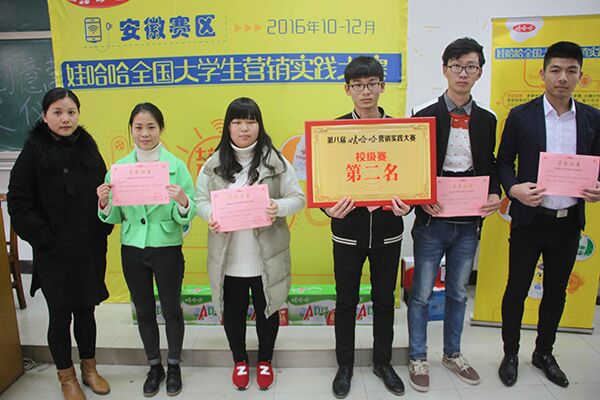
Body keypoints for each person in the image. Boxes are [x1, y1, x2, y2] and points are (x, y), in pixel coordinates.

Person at [497, 41, 600, 388]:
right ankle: (510, 353)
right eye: (555, 70)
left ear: (580, 75)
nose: (562, 78)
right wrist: (514, 189)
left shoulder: (592, 118)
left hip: (568, 222)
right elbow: (503, 162)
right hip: (529, 219)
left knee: (556, 292)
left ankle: (544, 353)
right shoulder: (521, 116)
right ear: (542, 73)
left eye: (571, 71)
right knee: (516, 289)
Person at [407, 37, 501, 392]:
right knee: (421, 294)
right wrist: (420, 199)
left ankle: (452, 353)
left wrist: (495, 192)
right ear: (444, 69)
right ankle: (418, 356)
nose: (463, 73)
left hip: (468, 222)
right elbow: (412, 165)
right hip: (433, 220)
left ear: (479, 72)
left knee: (459, 293)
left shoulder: (487, 119)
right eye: (457, 66)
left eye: (471, 67)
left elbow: (491, 163)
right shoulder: (424, 114)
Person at [8, 88, 112, 400]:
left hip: (88, 248)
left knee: (86, 311)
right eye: (57, 112)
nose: (65, 118)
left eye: (71, 112)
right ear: (44, 116)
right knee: (60, 315)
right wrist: (46, 239)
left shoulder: (87, 145)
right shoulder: (33, 153)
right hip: (54, 252)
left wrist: (103, 221)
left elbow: (105, 188)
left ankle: (89, 369)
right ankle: (67, 377)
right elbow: (18, 203)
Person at [195, 97, 305, 391]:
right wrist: (210, 214)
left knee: (268, 310)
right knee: (233, 313)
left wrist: (277, 207)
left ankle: (265, 360)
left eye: (250, 121)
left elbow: (298, 198)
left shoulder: (276, 162)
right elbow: (199, 200)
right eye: (237, 121)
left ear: (259, 125)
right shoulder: (213, 164)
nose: (244, 128)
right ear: (228, 127)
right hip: (229, 257)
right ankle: (240, 360)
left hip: (267, 257)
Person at [325, 56, 411, 399]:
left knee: (384, 301)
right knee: (346, 301)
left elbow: (410, 178)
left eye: (372, 84)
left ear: (382, 87)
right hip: (348, 229)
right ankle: (344, 365)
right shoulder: (332, 132)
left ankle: (382, 363)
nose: (365, 91)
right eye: (358, 85)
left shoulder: (401, 132)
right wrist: (328, 208)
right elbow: (324, 182)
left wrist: (409, 204)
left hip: (388, 228)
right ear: (347, 89)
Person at [96, 103, 195, 397]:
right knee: (144, 311)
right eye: (138, 127)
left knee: (172, 309)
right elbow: (114, 217)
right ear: (131, 130)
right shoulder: (119, 169)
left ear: (161, 129)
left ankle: (174, 365)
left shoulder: (176, 166)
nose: (145, 133)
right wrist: (104, 202)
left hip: (167, 247)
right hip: (133, 248)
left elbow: (186, 214)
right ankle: (154, 366)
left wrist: (183, 201)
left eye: (151, 127)